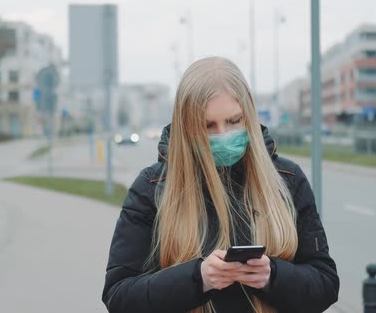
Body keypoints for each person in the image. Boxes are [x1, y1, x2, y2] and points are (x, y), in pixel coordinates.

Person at [102, 57, 339, 313]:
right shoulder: (153, 187)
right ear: (186, 128)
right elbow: (119, 297)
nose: (223, 135)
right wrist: (199, 278)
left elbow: (325, 284)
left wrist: (272, 276)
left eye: (234, 121)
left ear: (248, 116)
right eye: (208, 126)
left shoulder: (287, 179)